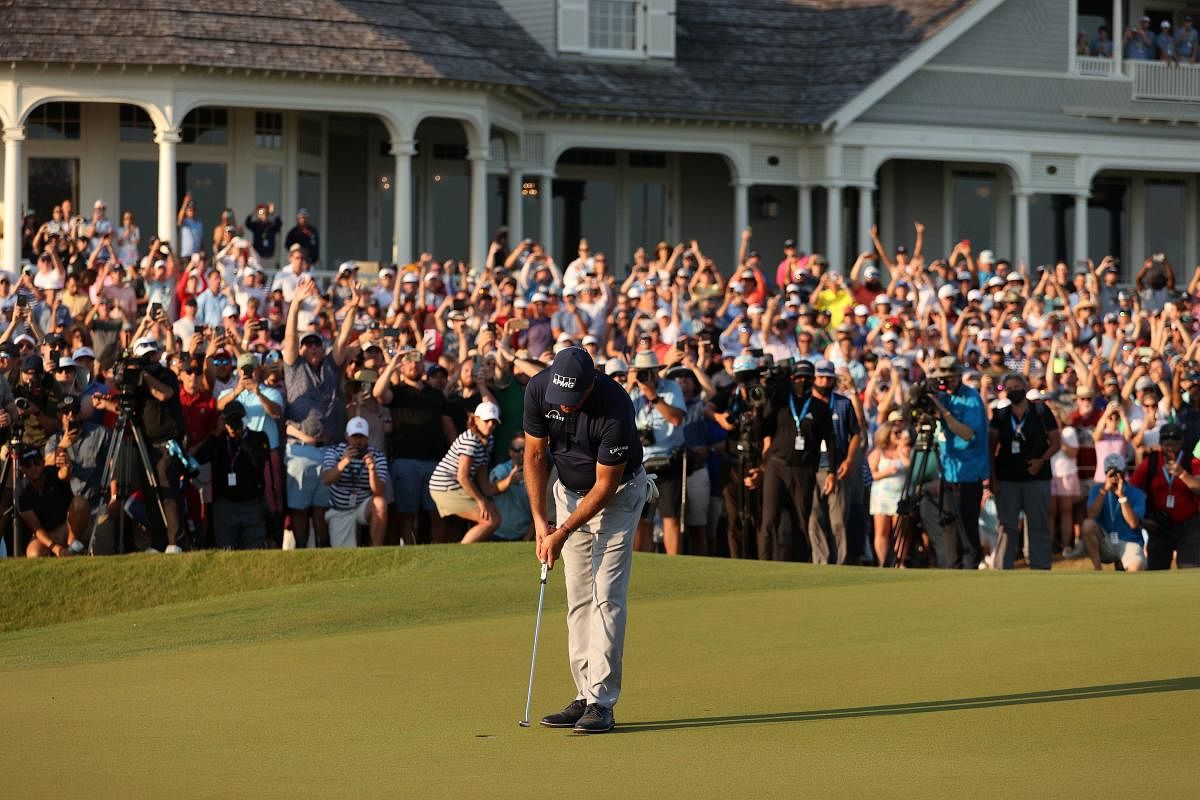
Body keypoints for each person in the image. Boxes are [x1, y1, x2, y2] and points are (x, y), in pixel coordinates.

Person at [524, 347, 648, 734]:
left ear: (590, 386)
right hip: (567, 495)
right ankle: (583, 695)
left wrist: (562, 532)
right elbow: (534, 456)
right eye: (559, 402)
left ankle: (602, 701)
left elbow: (606, 486)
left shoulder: (616, 407)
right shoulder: (539, 390)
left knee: (606, 596)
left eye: (572, 402)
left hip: (618, 497)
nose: (563, 409)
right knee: (578, 597)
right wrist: (541, 522)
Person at [759, 359, 838, 562]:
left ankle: (801, 565)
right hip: (777, 466)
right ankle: (764, 563)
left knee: (801, 520)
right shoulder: (781, 403)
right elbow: (763, 427)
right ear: (792, 379)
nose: (802, 381)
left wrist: (832, 471)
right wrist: (768, 395)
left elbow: (830, 441)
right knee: (769, 519)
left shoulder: (820, 408)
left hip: (803, 469)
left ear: (813, 381)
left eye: (806, 378)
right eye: (798, 377)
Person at [989, 375, 1061, 570]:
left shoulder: (1040, 411)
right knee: (1006, 526)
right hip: (1007, 479)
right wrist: (992, 479)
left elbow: (1056, 442)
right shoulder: (1000, 415)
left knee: (1038, 524)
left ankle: (1040, 568)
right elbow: (990, 448)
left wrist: (1042, 460)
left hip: (1037, 477)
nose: (1013, 390)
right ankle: (1002, 569)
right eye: (1009, 387)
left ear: (1025, 387)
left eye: (1017, 386)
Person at [929, 356, 990, 568]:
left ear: (958, 375)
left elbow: (966, 434)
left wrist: (942, 412)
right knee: (948, 524)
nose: (946, 382)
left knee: (966, 527)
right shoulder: (943, 396)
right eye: (942, 378)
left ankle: (970, 569)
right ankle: (951, 568)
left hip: (969, 474)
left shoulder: (971, 398)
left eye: (949, 377)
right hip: (947, 472)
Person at [626, 351, 686, 554]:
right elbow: (616, 416)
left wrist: (653, 395)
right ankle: (644, 563)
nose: (643, 376)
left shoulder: (671, 388)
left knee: (670, 516)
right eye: (640, 372)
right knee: (642, 518)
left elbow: (676, 419)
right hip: (641, 462)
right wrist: (629, 386)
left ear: (655, 372)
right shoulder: (632, 393)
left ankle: (673, 563)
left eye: (646, 372)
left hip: (668, 459)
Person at [193, 401, 271, 550]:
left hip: (252, 505)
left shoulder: (258, 437)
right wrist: (215, 433)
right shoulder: (218, 440)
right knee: (226, 553)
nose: (233, 424)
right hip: (225, 506)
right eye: (230, 420)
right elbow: (198, 458)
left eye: (237, 419)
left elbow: (258, 462)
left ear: (245, 419)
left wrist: (242, 436)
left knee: (254, 553)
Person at [808, 360, 861, 564]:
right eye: (820, 377)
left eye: (828, 378)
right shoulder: (805, 404)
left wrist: (849, 460)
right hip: (812, 468)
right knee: (814, 519)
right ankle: (820, 562)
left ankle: (841, 563)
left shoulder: (843, 403)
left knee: (838, 521)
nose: (824, 381)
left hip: (837, 468)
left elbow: (856, 433)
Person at [429, 402, 502, 543]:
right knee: (491, 520)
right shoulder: (470, 440)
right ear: (475, 420)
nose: (490, 425)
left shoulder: (488, 440)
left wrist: (509, 480)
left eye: (494, 422)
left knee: (494, 517)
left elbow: (484, 483)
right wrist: (481, 501)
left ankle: (464, 555)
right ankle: (463, 557)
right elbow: (462, 477)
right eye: (486, 421)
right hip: (445, 487)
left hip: (454, 486)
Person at [1130, 423, 1200, 569]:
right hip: (1159, 527)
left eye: (1175, 439)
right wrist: (1142, 521)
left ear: (1181, 441)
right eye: (1166, 440)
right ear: (1160, 443)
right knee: (1156, 572)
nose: (1170, 444)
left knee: (1190, 570)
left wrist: (1182, 474)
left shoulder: (1190, 461)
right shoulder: (1151, 463)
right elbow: (1130, 491)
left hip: (1188, 526)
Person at [321, 416, 389, 548]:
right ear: (346, 436)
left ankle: (376, 551)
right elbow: (327, 480)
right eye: (354, 436)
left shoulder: (377, 456)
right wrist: (344, 462)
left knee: (380, 503)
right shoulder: (334, 451)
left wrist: (372, 470)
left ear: (367, 437)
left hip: (362, 506)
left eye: (362, 437)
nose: (358, 441)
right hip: (340, 510)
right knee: (343, 556)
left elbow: (378, 491)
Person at [18, 444, 90, 557]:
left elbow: (63, 475)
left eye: (36, 462)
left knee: (80, 502)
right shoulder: (21, 491)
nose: (33, 468)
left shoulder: (52, 472)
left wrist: (66, 467)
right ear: (22, 469)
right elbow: (36, 527)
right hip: (46, 535)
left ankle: (72, 546)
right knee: (34, 554)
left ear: (43, 462)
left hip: (67, 527)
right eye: (28, 465)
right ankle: (63, 552)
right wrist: (57, 549)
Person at [1082, 453, 1147, 572]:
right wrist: (1104, 491)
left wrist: (1122, 496)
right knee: (1087, 525)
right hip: (1106, 542)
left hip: (1129, 540)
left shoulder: (1136, 493)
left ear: (1124, 472)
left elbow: (1133, 523)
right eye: (1110, 473)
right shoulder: (1097, 490)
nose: (1114, 477)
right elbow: (1091, 515)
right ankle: (1098, 571)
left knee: (1137, 568)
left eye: (1117, 472)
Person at [868, 421, 910, 567]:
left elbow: (910, 467)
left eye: (900, 432)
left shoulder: (904, 451)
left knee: (900, 532)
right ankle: (881, 562)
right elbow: (870, 474)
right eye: (896, 433)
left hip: (899, 496)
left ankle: (900, 561)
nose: (899, 435)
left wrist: (900, 449)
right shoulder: (878, 452)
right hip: (881, 497)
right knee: (881, 532)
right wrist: (886, 472)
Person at [490, 433, 532, 541]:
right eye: (517, 450)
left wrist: (527, 539)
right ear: (510, 452)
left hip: (523, 536)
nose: (521, 453)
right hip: (497, 535)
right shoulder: (501, 470)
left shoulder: (538, 474)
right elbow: (492, 490)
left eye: (525, 449)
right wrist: (510, 480)